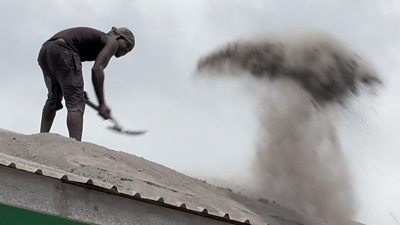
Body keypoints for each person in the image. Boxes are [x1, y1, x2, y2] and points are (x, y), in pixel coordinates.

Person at [37, 27, 135, 141]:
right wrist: (102, 104)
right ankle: (76, 146)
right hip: (63, 50)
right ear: (118, 37)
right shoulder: (112, 42)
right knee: (76, 102)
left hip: (46, 51)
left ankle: (41, 138)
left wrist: (78, 89)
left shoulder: (100, 40)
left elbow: (67, 75)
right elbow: (97, 69)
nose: (126, 50)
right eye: (127, 45)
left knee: (54, 97)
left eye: (129, 50)